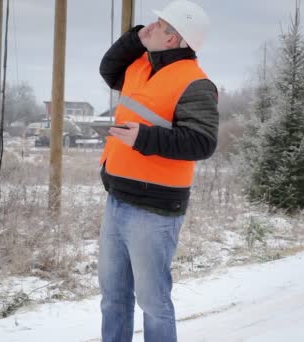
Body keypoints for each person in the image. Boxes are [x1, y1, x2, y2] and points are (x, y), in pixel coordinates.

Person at [97, 1, 219, 341]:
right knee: (113, 298)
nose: (147, 28)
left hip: (155, 211)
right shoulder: (139, 66)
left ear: (175, 40)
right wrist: (137, 37)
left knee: (153, 304)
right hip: (117, 200)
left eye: (160, 26)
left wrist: (144, 137)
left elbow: (202, 142)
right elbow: (109, 68)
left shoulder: (196, 84)